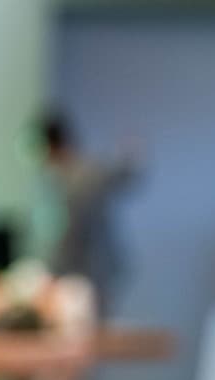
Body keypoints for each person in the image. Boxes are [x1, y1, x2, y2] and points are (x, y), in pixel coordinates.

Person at [30, 112, 139, 318]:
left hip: (93, 270)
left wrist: (131, 154)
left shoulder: (83, 172)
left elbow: (123, 176)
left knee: (91, 328)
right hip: (72, 272)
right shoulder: (53, 177)